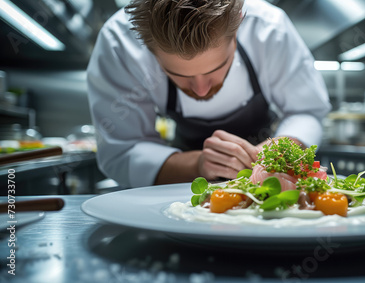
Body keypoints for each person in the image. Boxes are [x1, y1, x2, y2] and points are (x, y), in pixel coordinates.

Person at [86, 0, 331, 188]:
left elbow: (306, 111)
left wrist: (278, 151)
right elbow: (121, 150)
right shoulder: (119, 44)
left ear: (236, 32)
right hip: (183, 187)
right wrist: (198, 164)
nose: (201, 90)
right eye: (179, 75)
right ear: (150, 50)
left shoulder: (269, 29)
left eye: (215, 69)